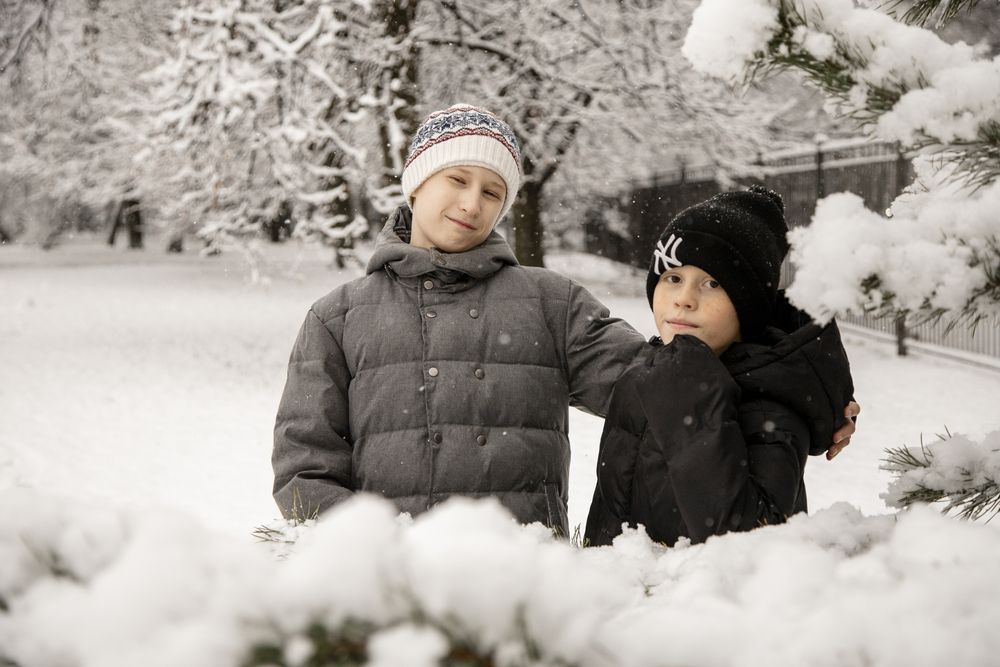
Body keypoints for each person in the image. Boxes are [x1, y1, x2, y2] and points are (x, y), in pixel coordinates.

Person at [272, 104, 859, 536]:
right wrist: (374, 555)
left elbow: (664, 381)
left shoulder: (550, 304)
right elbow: (306, 466)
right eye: (457, 180)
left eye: (493, 192)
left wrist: (802, 391)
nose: (472, 203)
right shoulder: (337, 318)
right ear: (416, 183)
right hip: (392, 596)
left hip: (530, 592)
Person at [584, 186, 856, 547]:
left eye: (712, 283)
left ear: (748, 306)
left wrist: (693, 395)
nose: (684, 299)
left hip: (702, 584)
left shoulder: (770, 404)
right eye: (673, 278)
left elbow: (749, 542)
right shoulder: (649, 369)